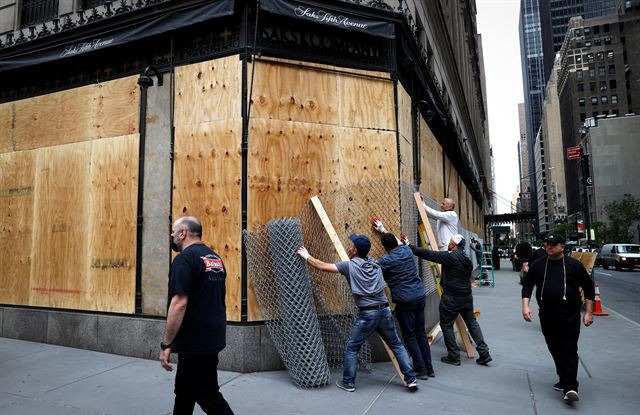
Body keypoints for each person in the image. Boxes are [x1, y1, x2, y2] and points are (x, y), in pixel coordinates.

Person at [296, 234, 418, 393]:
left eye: (351, 245)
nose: (349, 246)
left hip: (367, 314)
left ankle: (348, 382)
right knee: (396, 345)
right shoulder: (374, 263)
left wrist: (306, 256)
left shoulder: (349, 266)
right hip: (385, 310)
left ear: (354, 250)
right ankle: (411, 379)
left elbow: (322, 266)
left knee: (352, 348)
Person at [160, 216, 233, 415]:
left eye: (173, 232)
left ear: (183, 233)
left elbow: (179, 303)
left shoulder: (183, 260)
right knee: (184, 393)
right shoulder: (215, 258)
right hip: (210, 339)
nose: (171, 236)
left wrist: (167, 344)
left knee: (209, 396)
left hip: (195, 344)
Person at [521, 233, 595, 403]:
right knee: (554, 347)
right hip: (546, 314)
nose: (548, 247)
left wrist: (589, 312)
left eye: (552, 244)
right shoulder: (538, 265)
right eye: (546, 244)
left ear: (562, 247)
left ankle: (570, 387)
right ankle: (563, 378)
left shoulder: (574, 265)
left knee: (568, 348)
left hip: (569, 315)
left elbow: (589, 288)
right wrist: (525, 306)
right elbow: (527, 286)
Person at [405, 234, 492, 366]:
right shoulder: (467, 259)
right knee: (472, 323)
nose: (449, 243)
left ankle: (454, 356)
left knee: (446, 325)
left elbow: (429, 254)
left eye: (451, 242)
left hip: (451, 298)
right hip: (467, 297)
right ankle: (484, 353)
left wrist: (409, 246)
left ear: (454, 245)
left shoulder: (450, 256)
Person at [372, 219, 435, 379]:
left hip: (404, 300)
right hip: (419, 296)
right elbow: (400, 243)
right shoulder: (406, 251)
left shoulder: (385, 261)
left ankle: (420, 370)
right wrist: (383, 229)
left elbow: (372, 268)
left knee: (410, 335)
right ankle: (429, 368)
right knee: (421, 332)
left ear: (385, 248)